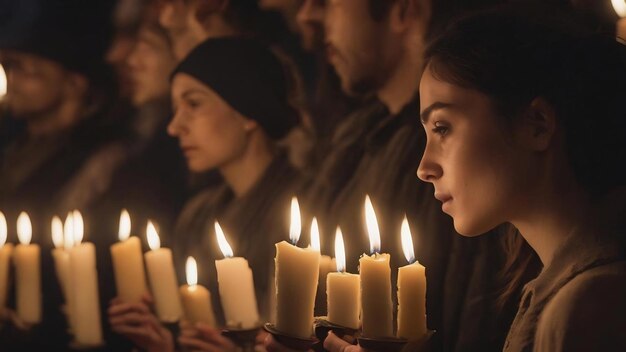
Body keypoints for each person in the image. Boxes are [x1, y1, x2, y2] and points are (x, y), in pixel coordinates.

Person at [414, 6, 626, 351]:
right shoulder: (561, 290)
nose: (424, 168)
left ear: (537, 125)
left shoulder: (590, 307)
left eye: (442, 128)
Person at [108, 37, 303, 352]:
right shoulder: (198, 214)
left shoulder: (305, 207)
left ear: (247, 111)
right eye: (174, 109)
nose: (174, 127)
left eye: (193, 104)